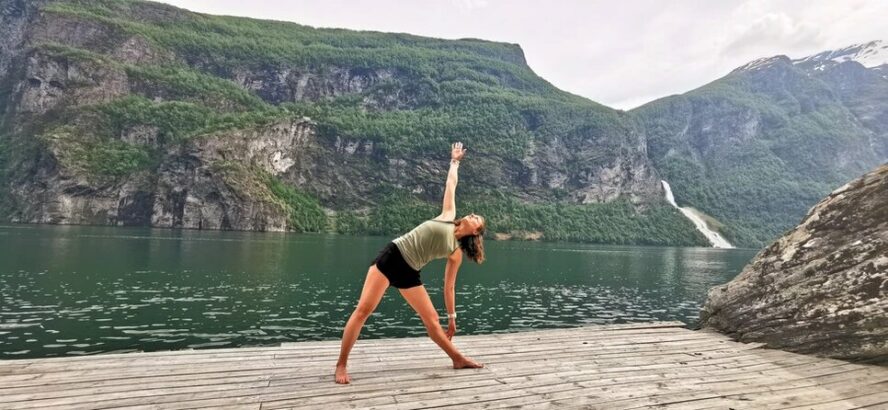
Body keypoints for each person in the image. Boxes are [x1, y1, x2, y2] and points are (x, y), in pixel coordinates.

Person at [334, 142, 487, 384]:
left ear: (476, 232)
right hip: (393, 256)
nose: (471, 215)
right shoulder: (448, 216)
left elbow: (449, 287)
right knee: (363, 311)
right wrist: (455, 161)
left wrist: (453, 317)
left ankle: (457, 358)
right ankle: (341, 365)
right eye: (472, 214)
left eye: (476, 218)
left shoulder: (456, 252)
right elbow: (451, 184)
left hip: (410, 272)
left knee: (432, 320)